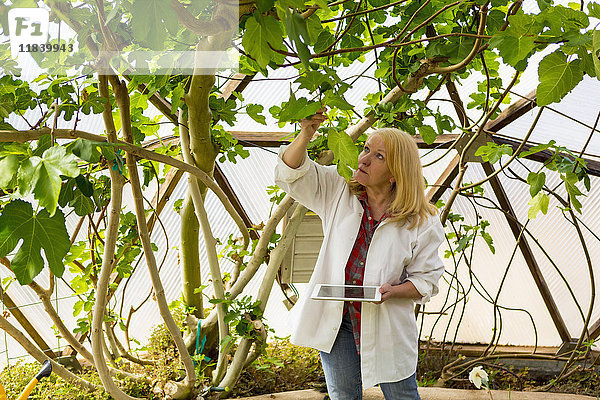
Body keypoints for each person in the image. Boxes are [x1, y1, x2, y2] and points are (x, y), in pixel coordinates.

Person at [274, 109, 445, 400]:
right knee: (344, 396)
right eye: (366, 149)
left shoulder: (422, 220)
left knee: (402, 395)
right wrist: (305, 134)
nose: (363, 158)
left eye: (379, 156)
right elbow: (292, 175)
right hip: (337, 320)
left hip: (386, 324)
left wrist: (395, 290)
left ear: (396, 173)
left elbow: (426, 280)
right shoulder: (338, 189)